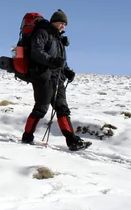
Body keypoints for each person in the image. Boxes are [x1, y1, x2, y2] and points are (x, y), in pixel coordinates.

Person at [20, 9, 87, 151]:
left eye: (65, 24)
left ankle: (72, 141)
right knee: (41, 108)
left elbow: (61, 61)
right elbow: (36, 52)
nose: (63, 26)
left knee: (63, 109)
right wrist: (52, 61)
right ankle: (27, 136)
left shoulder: (59, 39)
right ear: (53, 22)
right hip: (43, 76)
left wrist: (67, 71)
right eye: (61, 23)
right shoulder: (43, 33)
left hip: (57, 78)